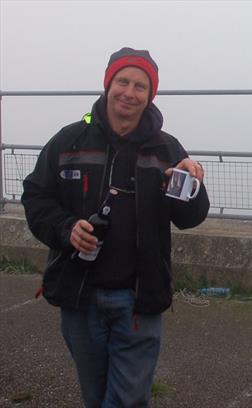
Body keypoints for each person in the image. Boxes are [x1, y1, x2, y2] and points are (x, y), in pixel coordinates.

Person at [21, 47, 209, 407]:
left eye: (140, 86)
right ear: (107, 84)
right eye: (122, 81)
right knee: (95, 396)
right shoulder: (69, 140)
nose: (129, 92)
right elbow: (36, 197)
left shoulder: (167, 149)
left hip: (138, 299)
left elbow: (190, 218)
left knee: (127, 400)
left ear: (150, 94)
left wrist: (187, 184)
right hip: (79, 294)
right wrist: (66, 229)